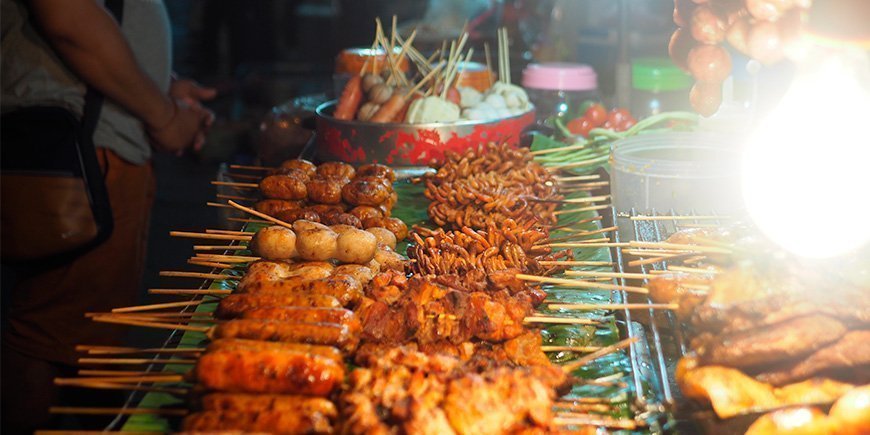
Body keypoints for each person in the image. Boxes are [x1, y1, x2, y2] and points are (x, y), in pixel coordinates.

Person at [0, 0, 214, 432]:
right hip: (81, 155)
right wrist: (164, 115)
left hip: (100, 143)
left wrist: (160, 83)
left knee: (85, 339)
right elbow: (68, 17)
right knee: (45, 339)